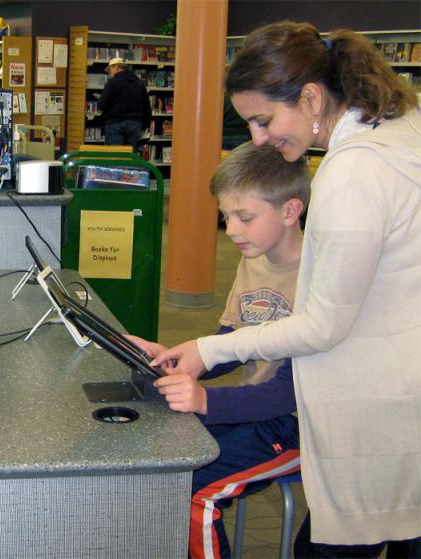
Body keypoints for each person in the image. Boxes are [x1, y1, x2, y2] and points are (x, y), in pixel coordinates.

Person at [152, 21, 421, 557]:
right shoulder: (402, 130)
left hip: (378, 406)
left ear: (312, 97)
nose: (258, 138)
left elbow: (323, 325)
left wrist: (208, 350)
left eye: (263, 119)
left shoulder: (354, 172)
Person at [130, 141, 309, 559]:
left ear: (289, 211)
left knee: (198, 492)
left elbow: (288, 392)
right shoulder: (255, 258)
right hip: (255, 411)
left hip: (298, 427)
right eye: (226, 216)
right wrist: (181, 359)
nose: (231, 230)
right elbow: (228, 340)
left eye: (244, 217)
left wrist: (205, 400)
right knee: (163, 460)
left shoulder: (318, 277)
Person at [97, 57, 152, 151]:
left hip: (115, 123)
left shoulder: (113, 82)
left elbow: (102, 105)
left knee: (115, 156)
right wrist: (143, 126)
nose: (110, 73)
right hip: (135, 124)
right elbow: (147, 107)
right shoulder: (139, 83)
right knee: (130, 156)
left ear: (117, 68)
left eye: (110, 70)